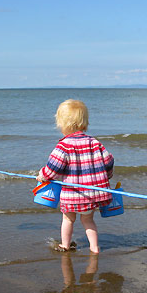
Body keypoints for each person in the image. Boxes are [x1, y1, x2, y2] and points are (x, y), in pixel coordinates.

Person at [37, 99, 114, 254]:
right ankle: (94, 248)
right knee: (88, 220)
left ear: (62, 124)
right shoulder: (94, 142)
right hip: (93, 193)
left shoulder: (64, 145)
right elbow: (109, 161)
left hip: (73, 194)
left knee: (68, 219)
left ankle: (65, 245)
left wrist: (43, 176)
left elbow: (53, 167)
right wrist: (107, 176)